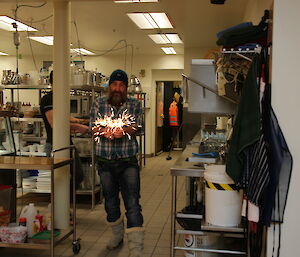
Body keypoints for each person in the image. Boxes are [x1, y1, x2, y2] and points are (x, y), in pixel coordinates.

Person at [90, 69, 144, 257]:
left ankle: (136, 248)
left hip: (128, 161)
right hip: (105, 162)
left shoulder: (135, 104)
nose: (117, 88)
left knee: (132, 203)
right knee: (110, 203)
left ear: (126, 88)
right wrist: (104, 130)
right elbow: (94, 126)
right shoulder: (98, 103)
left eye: (121, 85)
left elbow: (138, 127)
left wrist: (123, 130)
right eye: (114, 85)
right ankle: (117, 235)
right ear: (109, 86)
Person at [40, 71, 89, 187]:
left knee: (78, 176)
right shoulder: (48, 99)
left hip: (67, 143)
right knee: (60, 180)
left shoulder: (60, 99)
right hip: (54, 145)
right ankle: (60, 204)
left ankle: (65, 203)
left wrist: (80, 121)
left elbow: (63, 117)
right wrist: (78, 126)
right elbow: (54, 123)